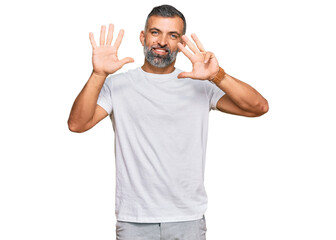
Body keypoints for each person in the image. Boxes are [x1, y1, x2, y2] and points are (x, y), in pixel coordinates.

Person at [68, 4, 269, 240]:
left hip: (187, 219)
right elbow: (77, 124)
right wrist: (99, 75)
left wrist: (217, 75)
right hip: (135, 220)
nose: (162, 41)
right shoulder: (117, 86)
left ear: (181, 43)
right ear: (143, 37)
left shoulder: (200, 86)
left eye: (172, 35)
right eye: (155, 32)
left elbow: (258, 107)